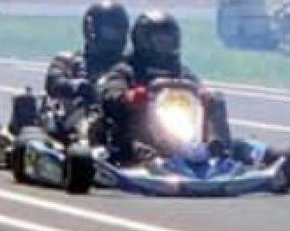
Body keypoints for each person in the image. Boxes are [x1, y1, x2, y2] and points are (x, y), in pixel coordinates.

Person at [98, 9, 233, 152]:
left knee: (216, 99)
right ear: (143, 41)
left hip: (181, 125)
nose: (166, 44)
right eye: (160, 40)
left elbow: (198, 88)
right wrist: (129, 97)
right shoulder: (127, 69)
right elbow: (110, 93)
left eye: (170, 39)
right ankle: (147, 152)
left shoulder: (181, 72)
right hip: (140, 138)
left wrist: (204, 96)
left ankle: (218, 148)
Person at [43, 0, 131, 117]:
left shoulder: (129, 65)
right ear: (91, 31)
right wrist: (75, 86)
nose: (115, 37)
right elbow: (53, 81)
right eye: (109, 32)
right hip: (79, 118)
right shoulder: (68, 60)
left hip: (122, 119)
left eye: (118, 31)